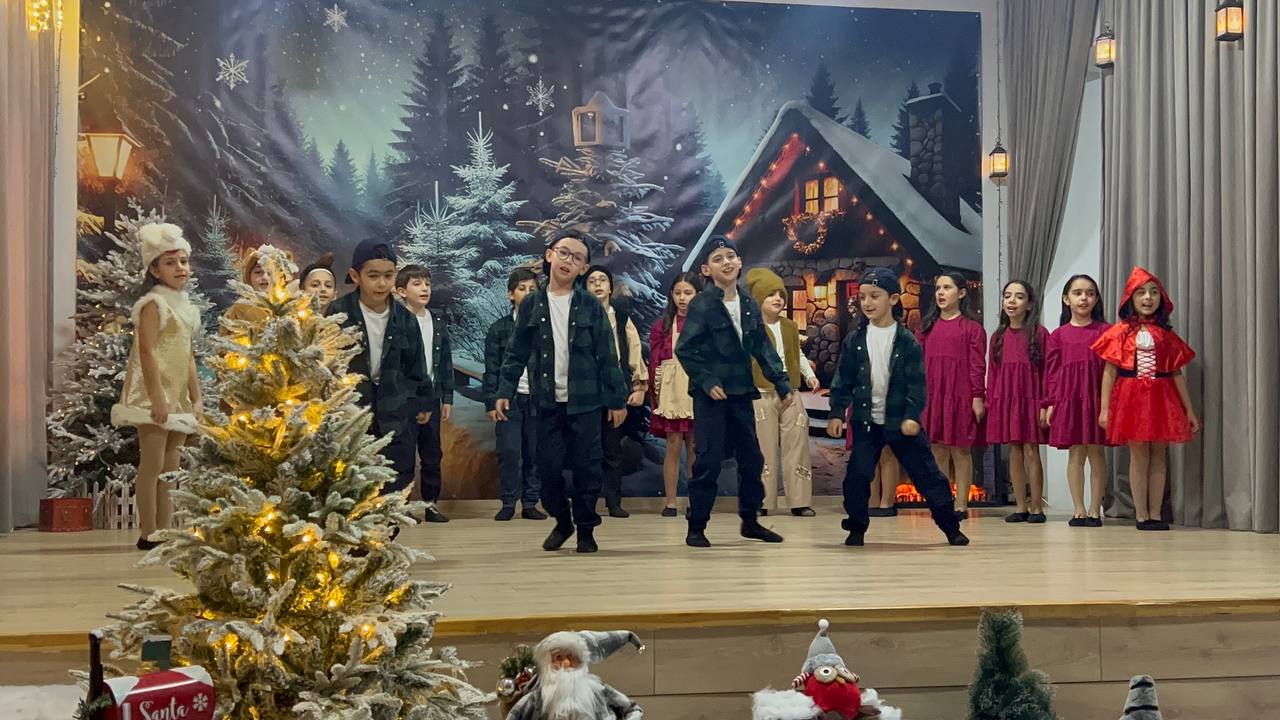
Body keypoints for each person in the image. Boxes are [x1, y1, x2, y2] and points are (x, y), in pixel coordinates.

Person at [493, 231, 628, 554]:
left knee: (587, 469)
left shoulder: (590, 306)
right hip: (546, 403)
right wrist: (504, 389)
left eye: (577, 257)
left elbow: (607, 355)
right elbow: (516, 352)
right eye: (564, 253)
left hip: (585, 402)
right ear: (549, 255)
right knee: (547, 469)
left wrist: (616, 400)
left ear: (583, 268)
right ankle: (563, 521)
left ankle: (586, 531)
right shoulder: (532, 304)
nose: (569, 261)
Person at [825, 267, 968, 547]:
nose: (867, 303)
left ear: (892, 299)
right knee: (857, 476)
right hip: (866, 421)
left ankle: (950, 527)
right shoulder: (855, 340)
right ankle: (856, 527)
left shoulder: (907, 341)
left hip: (900, 420)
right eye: (862, 297)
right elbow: (843, 379)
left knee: (927, 475)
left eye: (874, 296)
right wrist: (836, 412)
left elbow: (916, 384)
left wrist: (912, 415)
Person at [675, 237, 791, 548]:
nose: (726, 262)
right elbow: (685, 349)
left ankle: (750, 521)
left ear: (739, 262)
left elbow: (761, 347)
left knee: (752, 458)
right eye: (718, 259)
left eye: (731, 256)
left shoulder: (749, 304)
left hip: (740, 392)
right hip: (711, 396)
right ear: (706, 270)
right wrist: (707, 380)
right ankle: (697, 526)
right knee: (708, 460)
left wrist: (782, 383)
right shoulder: (702, 304)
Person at [111, 223, 202, 550]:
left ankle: (165, 529)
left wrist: (196, 397)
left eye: (183, 261)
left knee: (171, 467)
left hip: (177, 396)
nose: (180, 268)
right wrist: (157, 398)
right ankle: (148, 532)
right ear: (154, 269)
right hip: (154, 396)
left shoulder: (186, 308)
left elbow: (187, 355)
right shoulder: (153, 304)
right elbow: (147, 352)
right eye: (170, 262)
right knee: (152, 463)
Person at [1091, 266, 1199, 531]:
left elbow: (1176, 373)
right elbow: (1109, 372)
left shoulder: (1166, 335)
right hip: (1131, 396)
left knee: (1159, 454)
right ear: (1130, 298)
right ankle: (1141, 514)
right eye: (1141, 293)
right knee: (1139, 454)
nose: (1148, 298)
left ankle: (1155, 513)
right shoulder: (1119, 332)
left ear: (1161, 298)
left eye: (1153, 292)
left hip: (1162, 396)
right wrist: (1104, 409)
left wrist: (1189, 410)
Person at [326, 239, 434, 496]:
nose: (382, 283)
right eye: (373, 276)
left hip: (396, 410)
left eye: (388, 275)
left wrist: (423, 401)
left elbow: (417, 364)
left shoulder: (404, 317)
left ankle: (392, 522)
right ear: (355, 276)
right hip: (352, 411)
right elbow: (327, 362)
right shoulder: (338, 312)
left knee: (396, 476)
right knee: (351, 480)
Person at [745, 267, 818, 517]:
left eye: (780, 294)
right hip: (762, 391)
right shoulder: (751, 329)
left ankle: (799, 501)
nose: (777, 299)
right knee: (763, 448)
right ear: (758, 299)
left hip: (790, 391)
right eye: (771, 294)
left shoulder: (789, 326)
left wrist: (809, 375)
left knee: (797, 444)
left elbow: (798, 354)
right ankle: (762, 501)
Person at [917, 271, 986, 519]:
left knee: (961, 449)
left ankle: (961, 504)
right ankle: (943, 502)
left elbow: (978, 366)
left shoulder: (972, 328)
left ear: (962, 293)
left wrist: (977, 397)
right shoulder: (926, 327)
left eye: (947, 288)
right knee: (937, 449)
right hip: (933, 394)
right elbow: (917, 365)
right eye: (938, 288)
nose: (941, 293)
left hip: (961, 395)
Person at [1043, 274, 1110, 527]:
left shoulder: (1106, 331)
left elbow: (1112, 371)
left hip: (1096, 397)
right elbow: (1052, 373)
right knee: (1076, 453)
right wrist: (1050, 403)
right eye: (1078, 293)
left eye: (1090, 293)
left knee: (1096, 451)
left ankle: (1095, 509)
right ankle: (1079, 508)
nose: (1084, 298)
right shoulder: (1058, 335)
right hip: (1069, 399)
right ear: (1066, 299)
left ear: (1096, 299)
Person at [584, 265, 648, 519]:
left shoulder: (621, 318)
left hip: (614, 390)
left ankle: (614, 501)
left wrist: (639, 385)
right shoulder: (579, 317)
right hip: (586, 390)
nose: (598, 284)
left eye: (602, 280)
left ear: (611, 287)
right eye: (591, 281)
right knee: (586, 449)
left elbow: (634, 351)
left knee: (612, 448)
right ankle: (587, 503)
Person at [484, 267, 545, 521]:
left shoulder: (544, 327)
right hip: (508, 399)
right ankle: (508, 502)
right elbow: (491, 368)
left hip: (538, 399)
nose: (528, 294)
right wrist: (491, 401)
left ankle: (530, 502)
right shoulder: (499, 328)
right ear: (511, 294)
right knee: (509, 452)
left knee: (535, 452)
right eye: (522, 289)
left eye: (533, 289)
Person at [987, 280, 1050, 523]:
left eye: (1019, 296)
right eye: (1007, 296)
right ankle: (1021, 506)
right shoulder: (998, 337)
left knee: (1032, 449)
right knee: (1014, 449)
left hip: (1032, 398)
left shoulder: (1039, 334)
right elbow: (993, 373)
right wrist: (992, 401)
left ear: (1029, 304)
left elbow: (1048, 371)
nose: (1012, 301)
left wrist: (1046, 403)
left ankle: (1037, 507)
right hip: (1006, 400)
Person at [395, 264, 453, 523]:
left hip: (431, 396)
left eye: (427, 284)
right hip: (404, 399)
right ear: (401, 291)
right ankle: (401, 507)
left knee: (432, 454)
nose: (424, 289)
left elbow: (446, 361)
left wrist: (447, 396)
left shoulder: (437, 320)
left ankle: (431, 505)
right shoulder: (396, 319)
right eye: (417, 284)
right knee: (404, 454)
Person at [648, 272, 701, 517]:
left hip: (696, 386)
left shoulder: (704, 324)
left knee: (694, 445)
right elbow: (655, 360)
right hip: (671, 389)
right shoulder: (663, 325)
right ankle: (670, 502)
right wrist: (657, 390)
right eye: (678, 293)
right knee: (673, 444)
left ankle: (695, 500)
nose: (682, 298)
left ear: (697, 295)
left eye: (688, 293)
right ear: (671, 295)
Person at [504, 630, 645, 720]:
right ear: (548, 663)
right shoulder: (538, 698)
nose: (566, 663)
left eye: (571, 657)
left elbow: (632, 709)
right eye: (558, 657)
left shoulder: (598, 690)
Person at [223, 248, 275, 326]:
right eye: (258, 272)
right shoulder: (238, 310)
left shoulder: (284, 307)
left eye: (269, 272)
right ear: (248, 276)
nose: (265, 277)